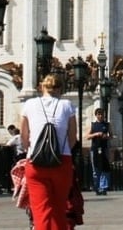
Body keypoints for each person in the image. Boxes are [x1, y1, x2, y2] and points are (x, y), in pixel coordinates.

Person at [19, 73, 77, 230]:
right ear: (60, 89)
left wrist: (30, 151)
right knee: (59, 209)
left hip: (35, 163)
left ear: (42, 87)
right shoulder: (67, 106)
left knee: (41, 211)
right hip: (62, 160)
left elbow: (23, 136)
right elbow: (72, 138)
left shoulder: (29, 104)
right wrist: (61, 152)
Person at [87, 107, 111, 195]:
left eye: (102, 114)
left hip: (104, 148)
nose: (100, 116)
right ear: (96, 115)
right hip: (95, 149)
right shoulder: (93, 125)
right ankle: (96, 187)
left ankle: (104, 187)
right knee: (96, 168)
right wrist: (96, 134)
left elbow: (111, 136)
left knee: (105, 168)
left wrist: (106, 136)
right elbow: (87, 136)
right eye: (99, 114)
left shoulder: (107, 125)